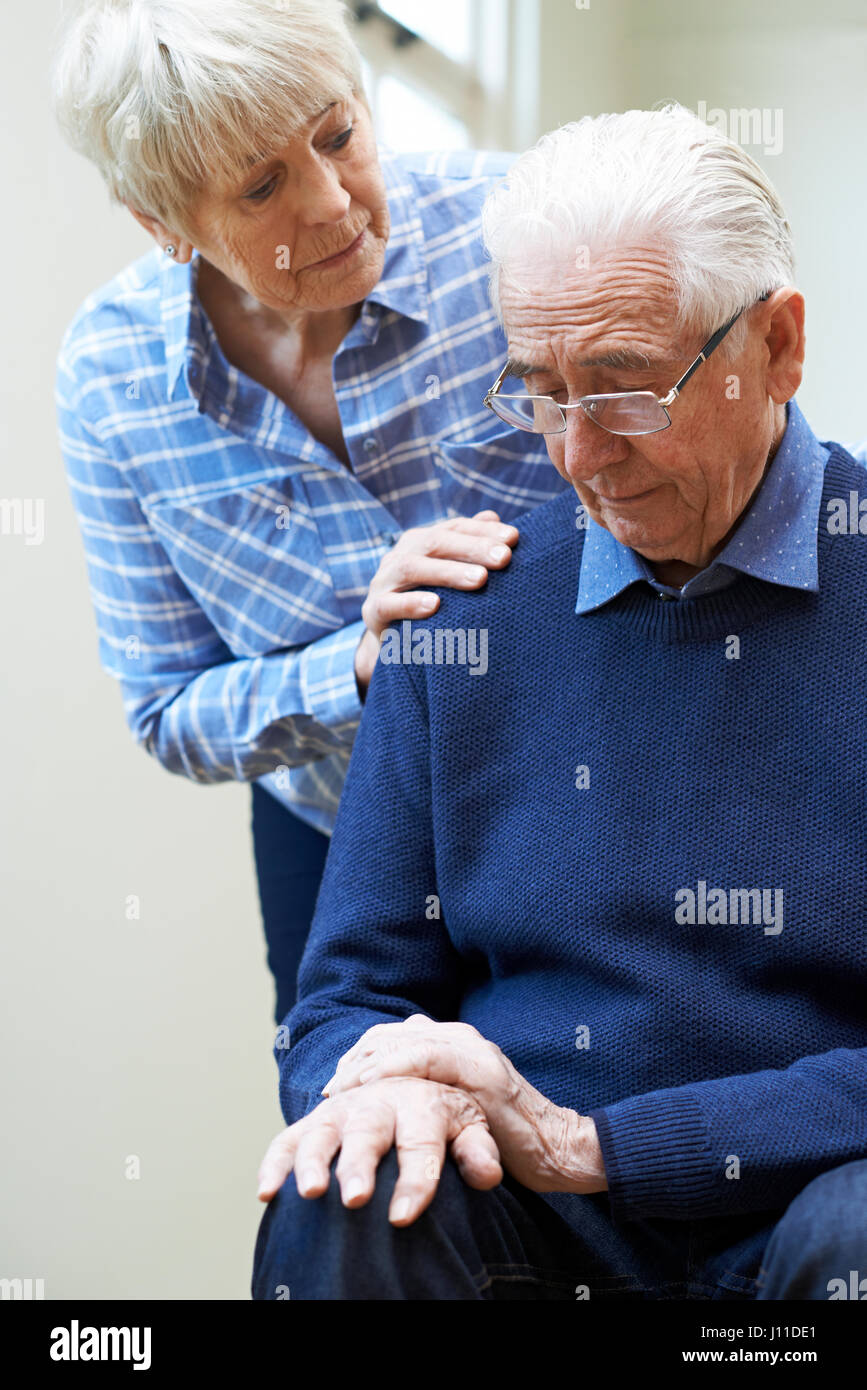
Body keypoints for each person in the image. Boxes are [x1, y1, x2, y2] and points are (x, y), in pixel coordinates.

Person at [252, 105, 867, 1300]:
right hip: (530, 1226)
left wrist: (606, 1149)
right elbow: (344, 1001)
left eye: (627, 389)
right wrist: (385, 1084)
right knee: (353, 1192)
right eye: (540, 390)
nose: (579, 455)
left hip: (825, 1192)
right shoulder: (461, 619)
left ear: (780, 347)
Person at [50, 0, 569, 1023]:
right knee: (352, 1155)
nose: (333, 204)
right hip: (340, 835)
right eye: (260, 187)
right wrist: (357, 667)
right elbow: (167, 709)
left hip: (587, 792)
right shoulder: (109, 378)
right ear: (162, 222)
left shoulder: (526, 227)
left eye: (340, 136)